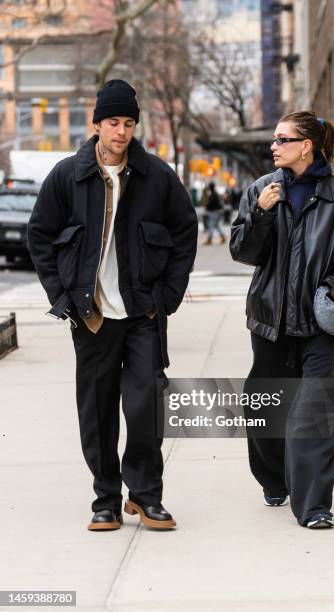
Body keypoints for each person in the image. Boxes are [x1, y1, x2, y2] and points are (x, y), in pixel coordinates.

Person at [27, 79, 198, 531]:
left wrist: (169, 296)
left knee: (145, 406)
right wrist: (61, 298)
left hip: (143, 312)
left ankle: (145, 496)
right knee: (98, 411)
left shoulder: (156, 175)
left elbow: (185, 231)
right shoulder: (68, 175)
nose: (121, 131)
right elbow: (40, 237)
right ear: (97, 123)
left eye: (128, 123)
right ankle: (105, 498)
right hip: (93, 315)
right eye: (113, 122)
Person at [229, 110, 334, 529]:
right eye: (274, 140)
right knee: (264, 403)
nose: (273, 146)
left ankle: (314, 506)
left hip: (318, 326)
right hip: (270, 320)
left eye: (281, 139)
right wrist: (259, 213)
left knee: (315, 409)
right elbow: (243, 252)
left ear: (306, 145)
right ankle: (274, 479)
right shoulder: (261, 190)